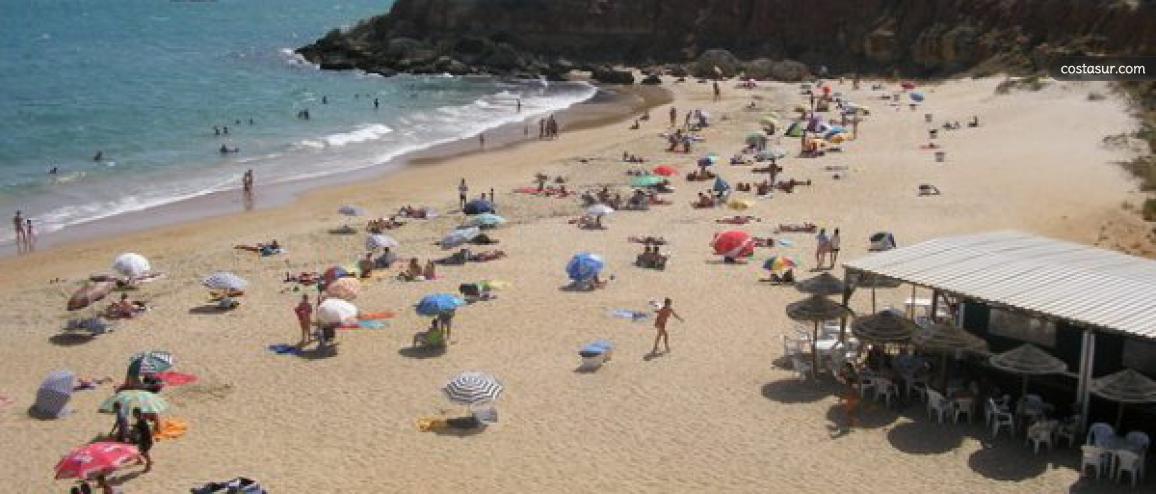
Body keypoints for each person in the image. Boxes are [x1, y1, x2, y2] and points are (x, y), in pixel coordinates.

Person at [132, 408, 153, 472]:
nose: (133, 415)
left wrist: (135, 428)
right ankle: (141, 461)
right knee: (141, 451)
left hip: (145, 440)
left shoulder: (141, 421)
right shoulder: (141, 420)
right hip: (144, 439)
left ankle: (149, 465)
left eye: (134, 414)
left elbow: (139, 430)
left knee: (144, 453)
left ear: (137, 414)